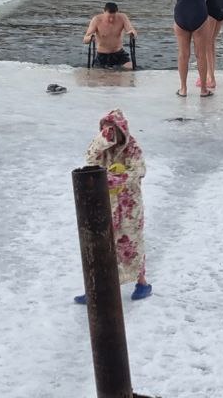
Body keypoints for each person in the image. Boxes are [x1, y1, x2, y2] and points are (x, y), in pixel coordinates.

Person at [74, 109, 152, 304]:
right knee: (101, 244)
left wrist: (118, 177)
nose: (110, 134)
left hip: (129, 205)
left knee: (131, 242)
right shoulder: (102, 144)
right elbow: (90, 159)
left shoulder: (132, 146)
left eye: (113, 131)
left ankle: (142, 283)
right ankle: (95, 288)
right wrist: (102, 141)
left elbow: (140, 170)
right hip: (106, 201)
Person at [169, 0, 213, 97]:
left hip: (181, 15)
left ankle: (183, 88)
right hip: (199, 14)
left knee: (183, 54)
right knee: (201, 54)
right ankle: (203, 90)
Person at [84, 2, 138, 69]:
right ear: (104, 12)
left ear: (117, 12)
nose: (111, 20)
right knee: (100, 75)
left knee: (131, 67)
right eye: (109, 17)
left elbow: (131, 30)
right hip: (102, 55)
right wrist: (90, 38)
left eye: (113, 17)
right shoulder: (96, 20)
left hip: (119, 53)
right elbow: (85, 40)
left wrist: (133, 33)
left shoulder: (122, 17)